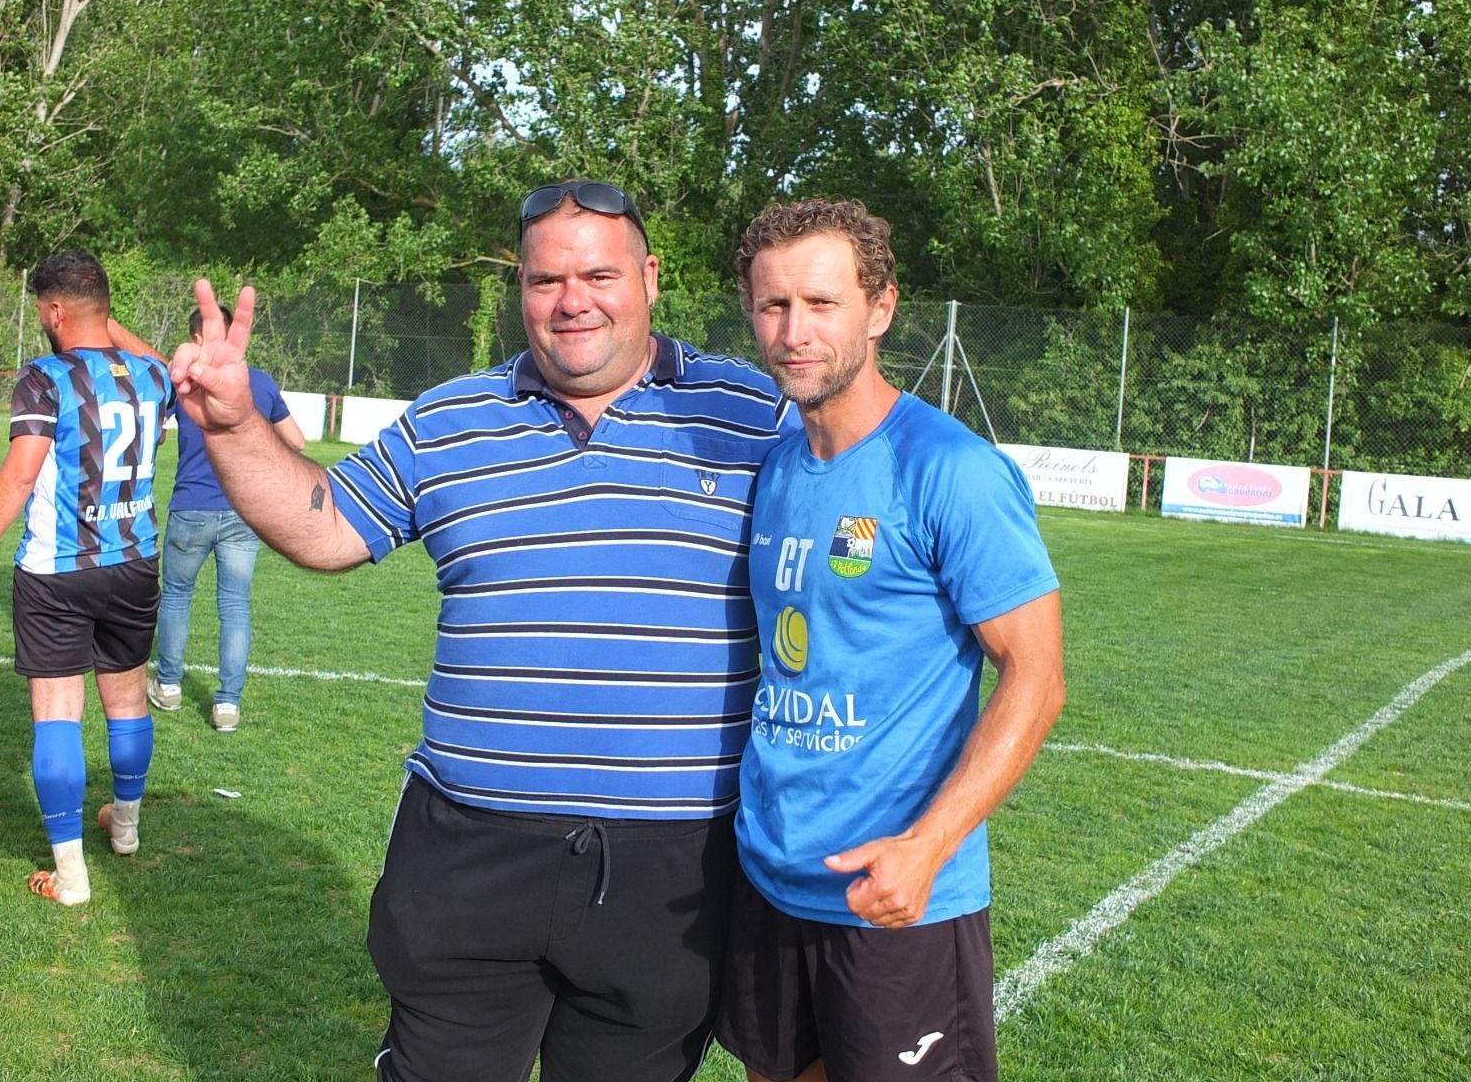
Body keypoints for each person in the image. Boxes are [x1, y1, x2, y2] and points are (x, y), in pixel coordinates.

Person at [167, 179, 796, 1082]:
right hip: (468, 853)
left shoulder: (752, 420)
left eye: (599, 275)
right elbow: (324, 525)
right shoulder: (451, 419)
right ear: (521, 291)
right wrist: (230, 425)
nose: (573, 300)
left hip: (671, 873)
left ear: (651, 278)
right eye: (546, 281)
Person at [715, 199, 1066, 1082]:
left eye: (822, 304)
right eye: (773, 306)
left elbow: (1037, 676)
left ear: (880, 309)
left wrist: (929, 844)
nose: (794, 331)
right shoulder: (778, 465)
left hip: (896, 897)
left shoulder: (951, 470)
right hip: (771, 876)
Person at [0, 250, 174, 906]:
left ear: (53, 312)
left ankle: (71, 877)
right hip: (135, 560)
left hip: (58, 570)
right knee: (127, 699)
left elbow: (22, 473)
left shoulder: (44, 378)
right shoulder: (151, 378)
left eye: (43, 312)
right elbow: (156, 359)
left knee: (57, 712)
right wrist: (104, 324)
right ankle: (125, 828)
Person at [149, 303, 305, 731]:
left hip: (191, 506)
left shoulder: (182, 382)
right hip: (242, 510)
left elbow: (156, 436)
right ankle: (227, 705)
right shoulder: (260, 382)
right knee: (235, 606)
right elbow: (297, 440)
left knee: (177, 597)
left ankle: (169, 685)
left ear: (195, 338)